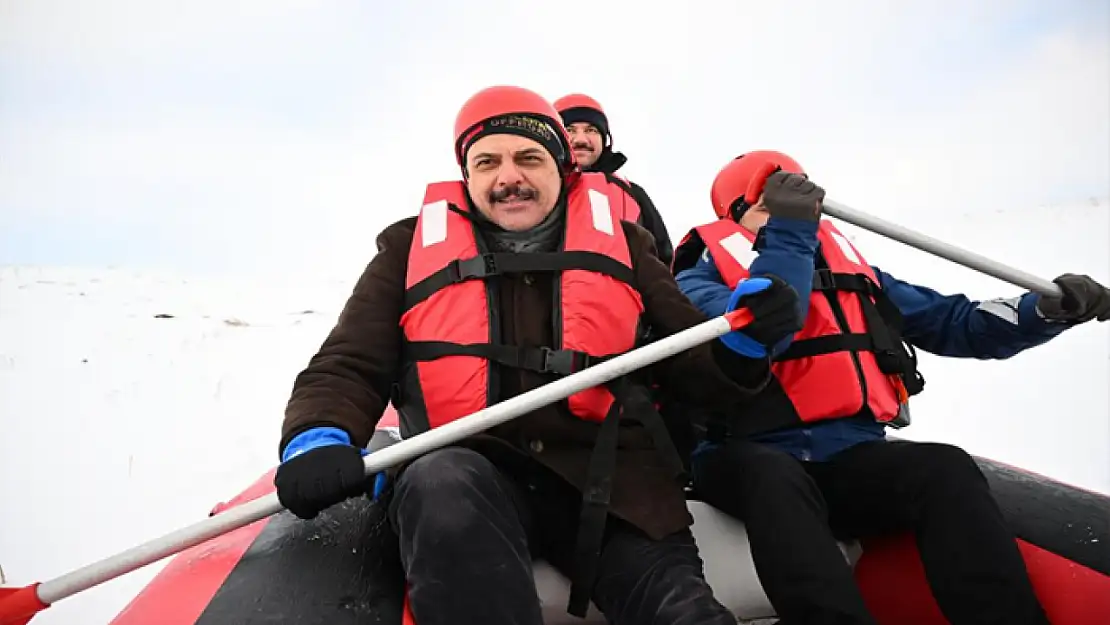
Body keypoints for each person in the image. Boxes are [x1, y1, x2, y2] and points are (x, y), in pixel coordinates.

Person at [272, 88, 803, 625]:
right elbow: (348, 362)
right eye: (488, 162)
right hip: (472, 474)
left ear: (562, 168)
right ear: (467, 175)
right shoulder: (406, 250)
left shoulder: (628, 246)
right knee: (440, 482)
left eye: (528, 157)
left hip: (613, 486)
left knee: (684, 613)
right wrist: (318, 434)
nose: (508, 178)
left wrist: (742, 345)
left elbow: (694, 368)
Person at [670, 149, 1110, 625]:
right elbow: (768, 323)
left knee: (943, 468)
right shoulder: (697, 276)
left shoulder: (857, 277)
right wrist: (791, 236)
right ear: (737, 214)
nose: (797, 211)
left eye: (801, 199)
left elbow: (955, 322)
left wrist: (1044, 310)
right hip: (746, 452)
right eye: (772, 201)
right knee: (774, 478)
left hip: (848, 454)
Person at [553, 93, 674, 266]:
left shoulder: (632, 193)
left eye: (591, 130)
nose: (580, 140)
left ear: (605, 140)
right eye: (569, 130)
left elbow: (663, 259)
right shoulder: (531, 189)